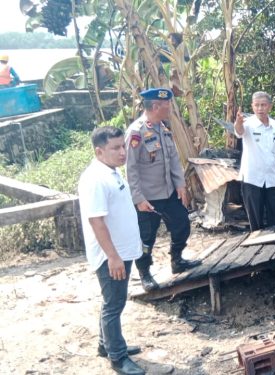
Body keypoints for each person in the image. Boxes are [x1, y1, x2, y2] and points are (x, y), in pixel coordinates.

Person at [78, 126, 145, 375]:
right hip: (111, 255)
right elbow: (96, 221)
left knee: (113, 301)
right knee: (114, 304)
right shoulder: (95, 179)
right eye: (115, 148)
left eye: (123, 146)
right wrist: (113, 257)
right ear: (99, 151)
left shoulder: (111, 171)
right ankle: (117, 358)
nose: (122, 152)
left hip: (122, 251)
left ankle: (106, 345)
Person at [125, 88, 200, 292]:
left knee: (182, 224)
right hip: (148, 197)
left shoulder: (163, 129)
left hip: (169, 192)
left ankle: (177, 260)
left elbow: (173, 160)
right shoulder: (136, 132)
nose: (169, 108)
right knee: (146, 238)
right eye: (167, 105)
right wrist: (138, 198)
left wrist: (181, 185)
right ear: (156, 106)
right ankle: (145, 274)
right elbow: (130, 169)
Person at [233, 91, 275, 231]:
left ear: (270, 107)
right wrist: (238, 123)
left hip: (272, 178)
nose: (260, 108)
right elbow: (239, 132)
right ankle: (258, 248)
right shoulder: (247, 124)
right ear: (252, 106)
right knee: (256, 219)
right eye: (257, 105)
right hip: (252, 179)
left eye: (263, 105)